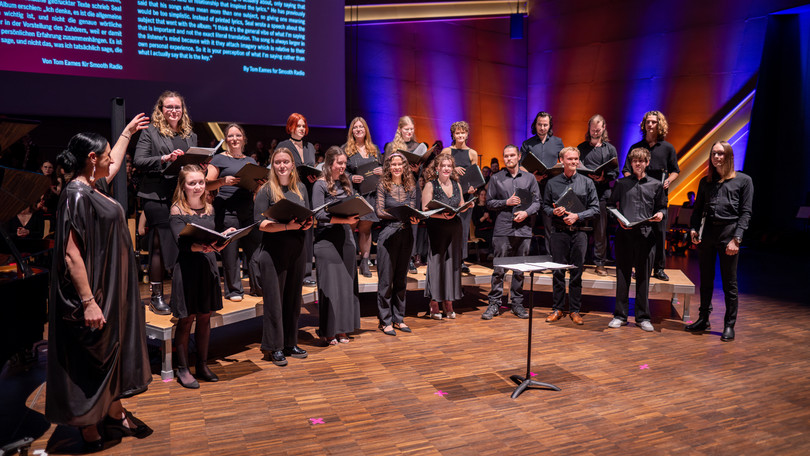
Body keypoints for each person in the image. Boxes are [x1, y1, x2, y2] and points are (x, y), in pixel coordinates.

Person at [47, 114, 152, 451]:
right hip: (94, 293)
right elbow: (71, 255)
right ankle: (88, 423)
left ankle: (114, 410)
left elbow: (116, 163)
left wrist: (125, 134)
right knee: (94, 356)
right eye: (105, 154)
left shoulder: (92, 186)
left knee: (114, 352)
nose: (112, 158)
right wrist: (89, 301)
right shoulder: (76, 195)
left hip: (112, 287)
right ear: (92, 159)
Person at [134, 90, 197, 314]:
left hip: (182, 196)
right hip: (156, 196)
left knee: (184, 244)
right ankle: (156, 296)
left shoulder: (190, 134)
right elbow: (139, 161)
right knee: (160, 246)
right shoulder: (151, 132)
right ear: (161, 109)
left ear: (183, 110)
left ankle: (182, 292)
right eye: (169, 107)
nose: (173, 111)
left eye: (177, 107)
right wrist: (165, 158)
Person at [686, 141, 753, 342]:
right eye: (714, 153)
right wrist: (693, 228)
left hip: (729, 233)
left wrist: (737, 239)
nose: (717, 157)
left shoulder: (743, 180)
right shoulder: (705, 182)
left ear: (729, 156)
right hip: (708, 233)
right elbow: (697, 210)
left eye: (721, 154)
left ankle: (729, 325)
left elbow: (746, 213)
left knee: (729, 282)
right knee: (705, 279)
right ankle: (703, 318)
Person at [169, 165, 229, 387]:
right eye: (192, 183)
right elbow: (181, 244)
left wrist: (223, 237)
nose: (197, 187)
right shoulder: (177, 210)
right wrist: (201, 247)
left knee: (205, 317)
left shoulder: (210, 208)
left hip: (207, 267)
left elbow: (210, 236)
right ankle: (183, 369)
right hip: (187, 270)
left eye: (201, 182)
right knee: (186, 320)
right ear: (183, 186)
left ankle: (202, 364)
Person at [254, 147, 313, 365]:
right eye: (277, 162)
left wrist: (307, 223)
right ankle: (274, 347)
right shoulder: (266, 190)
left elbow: (307, 216)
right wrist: (287, 226)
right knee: (274, 302)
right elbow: (261, 224)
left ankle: (290, 343)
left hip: (297, 250)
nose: (282, 166)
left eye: (286, 162)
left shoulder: (301, 189)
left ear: (292, 165)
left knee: (292, 300)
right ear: (272, 165)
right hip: (272, 252)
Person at [607, 148, 666, 332]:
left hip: (646, 235)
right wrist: (618, 219)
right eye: (634, 161)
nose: (638, 164)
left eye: (641, 161)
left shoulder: (656, 185)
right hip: (625, 234)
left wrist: (659, 215)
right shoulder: (621, 183)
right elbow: (610, 205)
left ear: (647, 163)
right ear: (631, 163)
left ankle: (642, 317)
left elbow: (663, 208)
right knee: (622, 276)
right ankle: (620, 315)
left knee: (643, 278)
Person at [482, 145, 541, 320]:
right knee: (499, 269)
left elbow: (537, 202)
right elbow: (489, 203)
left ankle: (517, 303)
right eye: (506, 156)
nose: (509, 158)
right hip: (503, 229)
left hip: (523, 229)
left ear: (518, 156)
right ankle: (494, 303)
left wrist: (526, 213)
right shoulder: (496, 178)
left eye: (512, 155)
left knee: (519, 270)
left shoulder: (529, 178)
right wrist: (505, 202)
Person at [543, 147, 599, 325]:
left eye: (576, 159)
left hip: (579, 233)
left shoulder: (587, 182)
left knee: (576, 273)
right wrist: (554, 212)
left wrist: (577, 216)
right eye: (570, 159)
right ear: (561, 161)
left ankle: (575, 310)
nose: (574, 162)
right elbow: (544, 207)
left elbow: (595, 208)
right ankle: (557, 308)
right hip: (559, 233)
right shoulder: (552, 183)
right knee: (558, 273)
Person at [621, 110, 680, 281]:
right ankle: (634, 266)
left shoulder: (668, 148)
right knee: (636, 233)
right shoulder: (636, 147)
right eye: (648, 121)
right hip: (639, 197)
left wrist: (668, 181)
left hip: (659, 196)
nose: (650, 124)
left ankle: (659, 268)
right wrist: (633, 181)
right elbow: (625, 170)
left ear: (659, 124)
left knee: (660, 233)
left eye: (654, 122)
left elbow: (675, 171)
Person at [312, 146, 361, 345]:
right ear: (329, 162)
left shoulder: (345, 181)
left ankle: (343, 329)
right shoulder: (320, 185)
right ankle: (329, 330)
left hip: (346, 238)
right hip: (326, 240)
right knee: (331, 287)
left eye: (344, 163)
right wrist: (343, 220)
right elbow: (318, 214)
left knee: (346, 286)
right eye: (339, 163)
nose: (342, 166)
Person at [205, 124, 260, 301]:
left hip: (248, 209)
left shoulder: (251, 162)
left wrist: (260, 182)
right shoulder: (219, 159)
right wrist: (222, 181)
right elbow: (206, 184)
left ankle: (257, 287)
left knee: (255, 250)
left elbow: (257, 188)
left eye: (238, 135)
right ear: (226, 140)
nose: (234, 139)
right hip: (227, 210)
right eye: (230, 136)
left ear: (244, 138)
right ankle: (234, 290)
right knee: (231, 252)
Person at [375, 152, 419, 335]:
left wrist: (415, 218)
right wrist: (399, 214)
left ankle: (398, 318)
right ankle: (385, 320)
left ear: (404, 166)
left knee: (401, 279)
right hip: (388, 234)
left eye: (400, 164)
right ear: (389, 166)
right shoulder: (383, 185)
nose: (396, 167)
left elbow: (414, 208)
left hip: (406, 233)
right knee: (386, 280)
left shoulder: (411, 185)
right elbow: (379, 211)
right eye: (393, 164)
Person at [421, 153, 467, 319]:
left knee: (451, 265)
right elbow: (425, 210)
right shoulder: (430, 185)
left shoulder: (457, 185)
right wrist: (442, 216)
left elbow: (461, 204)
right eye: (444, 166)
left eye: (449, 166)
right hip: (437, 228)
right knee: (437, 264)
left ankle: (448, 301)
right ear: (437, 168)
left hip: (454, 228)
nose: (446, 168)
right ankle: (434, 302)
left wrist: (468, 205)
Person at [276, 113, 317, 286]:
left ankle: (306, 272)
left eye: (303, 126)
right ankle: (288, 269)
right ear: (290, 127)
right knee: (291, 228)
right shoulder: (283, 145)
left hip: (308, 191)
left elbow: (312, 167)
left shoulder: (310, 147)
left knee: (307, 230)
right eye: (297, 126)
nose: (301, 129)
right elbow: (279, 167)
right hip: (290, 191)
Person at [577, 114, 619, 276]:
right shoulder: (581, 148)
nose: (595, 132)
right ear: (589, 129)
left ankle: (599, 264)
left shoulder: (610, 149)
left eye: (598, 129)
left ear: (603, 128)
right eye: (592, 129)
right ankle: (578, 261)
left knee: (600, 231)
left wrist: (603, 177)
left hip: (601, 194)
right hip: (582, 194)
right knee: (580, 230)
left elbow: (615, 172)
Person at [343, 117, 382, 278]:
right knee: (351, 228)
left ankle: (365, 262)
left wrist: (381, 171)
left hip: (370, 194)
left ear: (366, 130)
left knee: (366, 230)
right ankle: (350, 261)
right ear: (351, 131)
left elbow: (381, 168)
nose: (358, 129)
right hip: (353, 194)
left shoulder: (374, 149)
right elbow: (339, 170)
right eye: (355, 127)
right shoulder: (345, 149)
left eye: (361, 127)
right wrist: (350, 178)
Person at [520, 111, 564, 255]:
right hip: (532, 188)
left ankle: (551, 257)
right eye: (540, 124)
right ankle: (524, 255)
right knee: (528, 222)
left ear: (550, 125)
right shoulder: (527, 144)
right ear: (535, 125)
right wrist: (534, 177)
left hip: (551, 188)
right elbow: (521, 166)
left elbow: (563, 163)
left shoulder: (558, 142)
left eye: (545, 125)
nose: (542, 128)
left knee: (549, 224)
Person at [441, 121, 478, 273]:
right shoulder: (447, 151)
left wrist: (473, 188)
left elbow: (476, 176)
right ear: (453, 135)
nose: (460, 135)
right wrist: (452, 168)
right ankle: (445, 258)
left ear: (467, 134)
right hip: (450, 195)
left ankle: (461, 260)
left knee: (463, 229)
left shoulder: (472, 153)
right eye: (457, 133)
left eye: (463, 132)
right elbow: (440, 170)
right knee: (447, 227)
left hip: (467, 196)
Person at [471, 187, 495, 258]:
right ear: (478, 196)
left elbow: (493, 221)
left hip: (489, 228)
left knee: (495, 233)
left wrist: (489, 219)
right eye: (482, 195)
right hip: (480, 230)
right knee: (491, 235)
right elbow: (475, 223)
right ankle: (491, 253)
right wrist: (483, 218)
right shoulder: (475, 208)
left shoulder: (489, 207)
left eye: (485, 195)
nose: (484, 197)